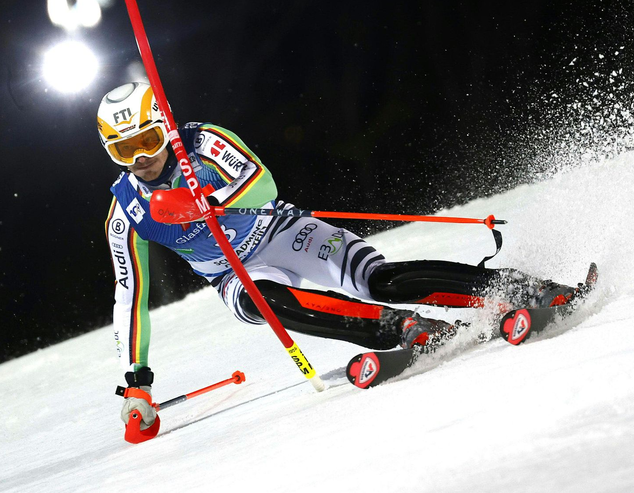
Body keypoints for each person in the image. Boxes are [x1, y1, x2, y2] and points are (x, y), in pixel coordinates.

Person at [99, 82, 581, 431]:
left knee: (379, 279)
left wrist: (208, 200)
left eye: (148, 141)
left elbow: (263, 183)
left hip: (279, 229)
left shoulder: (203, 143)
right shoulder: (126, 213)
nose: (142, 158)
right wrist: (137, 381)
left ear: (164, 127)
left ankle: (520, 288)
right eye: (124, 150)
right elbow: (130, 298)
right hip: (235, 273)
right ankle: (402, 328)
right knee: (262, 302)